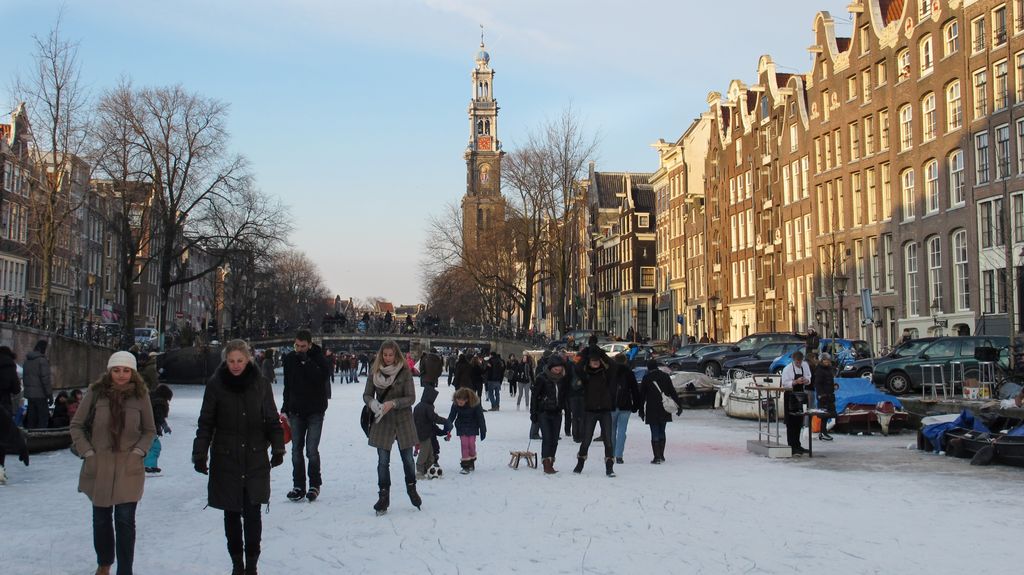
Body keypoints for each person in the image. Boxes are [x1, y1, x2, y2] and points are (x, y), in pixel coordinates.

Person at [193, 339, 286, 575]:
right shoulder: (216, 385)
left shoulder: (260, 385)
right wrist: (200, 452)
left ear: (248, 360)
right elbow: (206, 421)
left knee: (253, 513)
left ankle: (252, 564)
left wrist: (277, 448)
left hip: (255, 456)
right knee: (232, 513)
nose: (235, 365)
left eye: (240, 361)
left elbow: (272, 420)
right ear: (226, 361)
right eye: (231, 361)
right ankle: (237, 564)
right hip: (226, 458)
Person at [70, 351, 157, 575]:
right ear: (109, 371)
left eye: (126, 370)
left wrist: (139, 452)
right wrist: (88, 452)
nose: (121, 375)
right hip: (100, 465)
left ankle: (125, 570)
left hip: (129, 467)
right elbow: (77, 425)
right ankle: (104, 563)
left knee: (125, 520)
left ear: (133, 372)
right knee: (101, 519)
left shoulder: (141, 395)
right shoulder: (96, 393)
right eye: (116, 370)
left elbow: (149, 431)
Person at [363, 340, 420, 515]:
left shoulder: (404, 372)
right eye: (385, 355)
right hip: (383, 420)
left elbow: (411, 398)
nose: (388, 358)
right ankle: (383, 495)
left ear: (396, 355)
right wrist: (372, 403)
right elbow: (366, 394)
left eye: (391, 355)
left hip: (403, 419)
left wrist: (394, 403)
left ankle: (411, 488)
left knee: (408, 459)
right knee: (382, 461)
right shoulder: (375, 371)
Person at [281, 329, 330, 502]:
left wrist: (307, 362)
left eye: (303, 346)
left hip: (315, 410)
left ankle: (314, 484)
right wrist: (285, 407)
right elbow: (288, 386)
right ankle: (298, 485)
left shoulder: (319, 358)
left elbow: (321, 379)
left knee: (311, 450)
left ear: (310, 345)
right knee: (296, 450)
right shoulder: (289, 360)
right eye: (297, 346)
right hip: (296, 411)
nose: (300, 349)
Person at [573, 348, 616, 477]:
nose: (595, 362)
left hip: (605, 411)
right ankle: (580, 463)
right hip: (590, 411)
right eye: (593, 361)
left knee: (608, 440)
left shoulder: (606, 373)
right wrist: (585, 356)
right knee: (586, 439)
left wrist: (603, 354)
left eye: (597, 360)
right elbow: (577, 369)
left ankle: (609, 467)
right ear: (589, 362)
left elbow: (614, 366)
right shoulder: (586, 374)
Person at [638, 361, 683, 464]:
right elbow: (672, 391)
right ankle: (661, 455)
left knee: (654, 432)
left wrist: (641, 410)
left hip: (652, 409)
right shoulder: (665, 376)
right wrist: (679, 406)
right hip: (664, 407)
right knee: (662, 430)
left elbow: (642, 396)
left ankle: (656, 457)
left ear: (648, 368)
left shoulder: (647, 378)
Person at [531, 354, 569, 474]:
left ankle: (551, 460)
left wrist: (565, 407)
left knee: (555, 439)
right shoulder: (542, 378)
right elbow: (535, 396)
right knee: (547, 438)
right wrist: (534, 413)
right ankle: (546, 462)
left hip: (557, 412)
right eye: (556, 368)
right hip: (544, 412)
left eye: (560, 368)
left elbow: (563, 395)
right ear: (551, 367)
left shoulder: (563, 378)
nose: (558, 370)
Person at [609, 354, 641, 464]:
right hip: (626, 405)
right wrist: (636, 405)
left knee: (611, 431)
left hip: (611, 405)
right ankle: (619, 455)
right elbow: (635, 390)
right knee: (622, 430)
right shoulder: (629, 373)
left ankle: (611, 454)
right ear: (625, 361)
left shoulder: (610, 372)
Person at [413, 386, 451, 478]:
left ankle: (430, 469)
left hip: (422, 433)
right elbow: (434, 418)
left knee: (430, 453)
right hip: (424, 434)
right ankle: (419, 471)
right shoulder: (427, 407)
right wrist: (445, 421)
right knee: (424, 453)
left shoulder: (418, 405)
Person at [448, 387, 486, 474]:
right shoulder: (455, 405)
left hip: (473, 426)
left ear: (467, 399)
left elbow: (480, 417)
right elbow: (451, 417)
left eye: (462, 400)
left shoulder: (475, 405)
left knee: (471, 444)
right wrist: (447, 427)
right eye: (458, 399)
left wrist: (483, 429)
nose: (460, 402)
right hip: (461, 426)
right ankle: (465, 466)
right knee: (464, 444)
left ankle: (471, 460)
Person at [780, 350, 812, 455]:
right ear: (793, 360)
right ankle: (791, 445)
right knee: (791, 422)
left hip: (801, 394)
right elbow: (784, 384)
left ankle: (798, 445)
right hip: (790, 396)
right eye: (797, 362)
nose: (799, 364)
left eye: (800, 362)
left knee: (799, 421)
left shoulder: (805, 365)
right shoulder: (787, 369)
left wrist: (806, 380)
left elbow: (809, 377)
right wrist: (794, 382)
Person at [23, 339, 52, 429]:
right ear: (41, 348)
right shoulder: (42, 361)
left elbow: (25, 378)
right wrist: (49, 394)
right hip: (40, 395)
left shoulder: (27, 361)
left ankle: (31, 438)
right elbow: (45, 380)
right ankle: (40, 438)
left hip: (30, 395)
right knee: (42, 418)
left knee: (31, 418)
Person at [145, 384, 174, 474]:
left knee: (149, 447)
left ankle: (149, 465)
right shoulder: (160, 403)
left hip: (144, 426)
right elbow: (158, 416)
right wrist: (165, 426)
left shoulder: (150, 397)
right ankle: (148, 466)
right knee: (155, 447)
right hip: (150, 428)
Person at [813, 353, 838, 442]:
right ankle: (822, 432)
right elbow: (818, 383)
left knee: (829, 414)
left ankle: (823, 432)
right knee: (824, 414)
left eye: (828, 360)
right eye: (825, 360)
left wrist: (833, 385)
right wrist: (821, 394)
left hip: (829, 394)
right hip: (823, 395)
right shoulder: (820, 370)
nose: (827, 361)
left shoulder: (828, 369)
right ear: (821, 361)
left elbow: (828, 381)